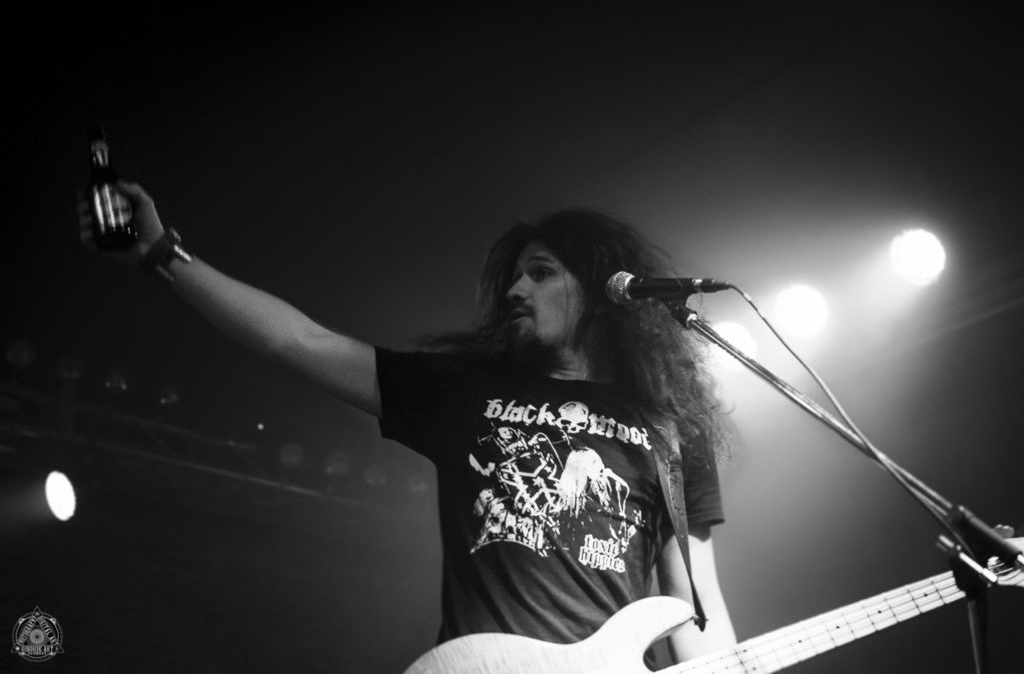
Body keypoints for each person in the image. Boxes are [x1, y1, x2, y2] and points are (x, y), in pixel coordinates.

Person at [79, 183, 737, 664]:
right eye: (515, 277)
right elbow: (299, 341)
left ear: (600, 289)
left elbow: (694, 605)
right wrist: (163, 253)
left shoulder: (671, 430)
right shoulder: (467, 390)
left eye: (540, 274)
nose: (515, 290)